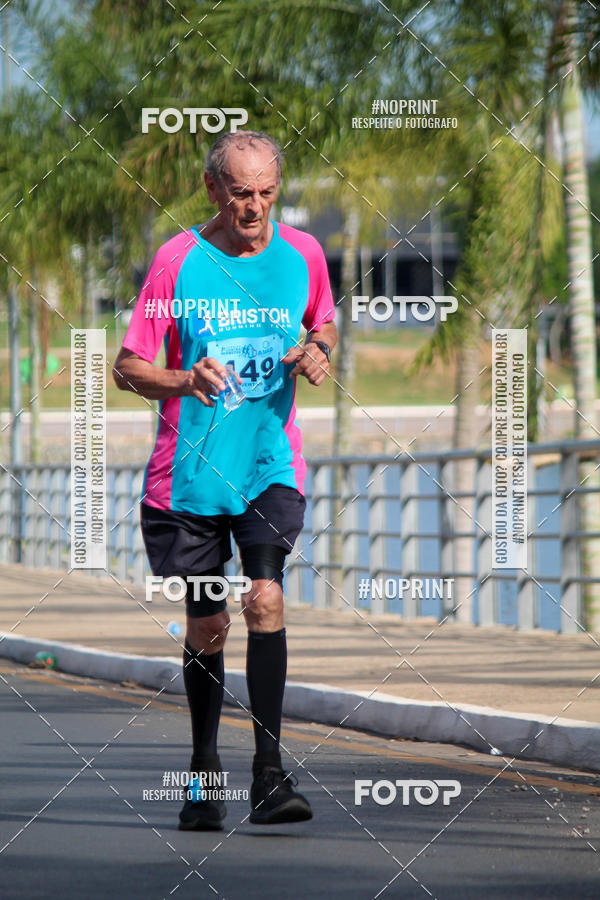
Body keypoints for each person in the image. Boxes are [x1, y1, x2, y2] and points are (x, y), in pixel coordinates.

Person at [113, 130, 337, 830]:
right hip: (189, 479)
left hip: (270, 462)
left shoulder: (304, 253)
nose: (256, 208)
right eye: (241, 193)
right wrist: (183, 377)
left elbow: (323, 323)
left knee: (264, 599)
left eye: (268, 193)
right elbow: (127, 366)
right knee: (208, 622)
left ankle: (269, 777)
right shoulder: (176, 261)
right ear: (213, 188)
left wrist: (318, 353)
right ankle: (203, 769)